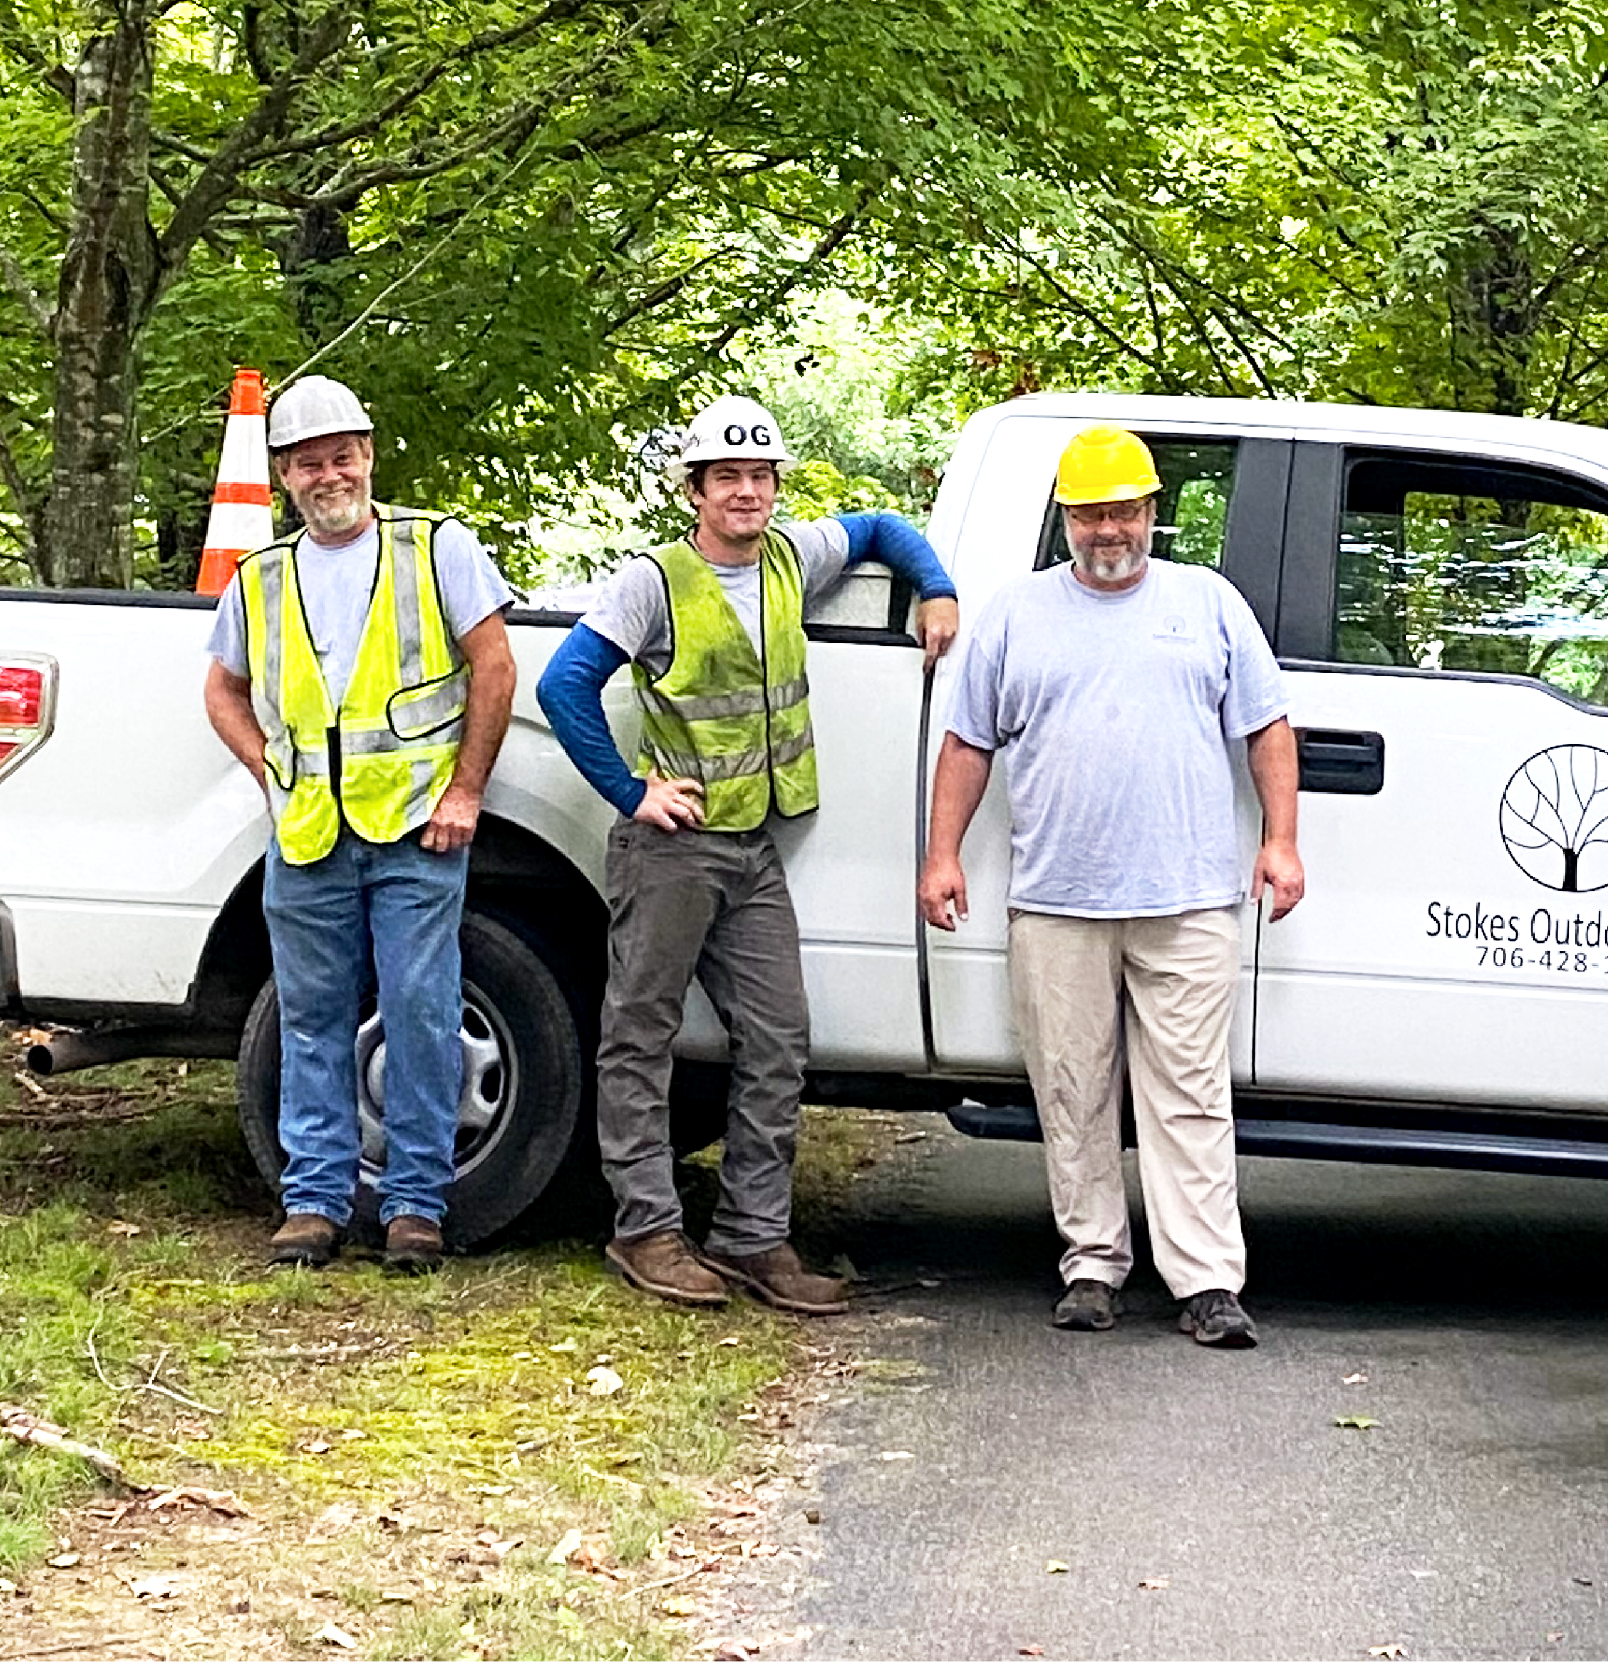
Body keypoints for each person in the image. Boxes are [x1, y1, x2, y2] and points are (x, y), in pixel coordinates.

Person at [537, 395, 958, 1316]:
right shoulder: (654, 580)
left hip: (754, 847)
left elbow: (885, 525)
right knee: (640, 1035)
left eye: (760, 476)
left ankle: (751, 1237)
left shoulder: (787, 560)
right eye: (726, 477)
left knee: (779, 1040)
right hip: (673, 850)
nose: (746, 492)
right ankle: (645, 1228)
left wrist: (936, 588)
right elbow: (564, 684)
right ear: (695, 489)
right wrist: (633, 791)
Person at [918, 426, 1304, 1350]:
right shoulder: (1016, 613)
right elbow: (968, 743)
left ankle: (1206, 1280)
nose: (1109, 529)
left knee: (1190, 1094)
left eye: (1125, 510)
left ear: (1152, 511)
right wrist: (941, 855)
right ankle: (1092, 1263)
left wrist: (1283, 841)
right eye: (1091, 513)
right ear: (1068, 519)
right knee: (1072, 1088)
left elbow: (1268, 727)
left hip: (1188, 899)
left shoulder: (1208, 603)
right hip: (1057, 899)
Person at [204, 373, 518, 1276]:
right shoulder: (261, 578)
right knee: (312, 1018)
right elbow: (221, 689)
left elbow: (493, 667)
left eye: (342, 456)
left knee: (421, 1012)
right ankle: (313, 1202)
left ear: (369, 456)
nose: (329, 475)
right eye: (309, 463)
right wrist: (268, 766)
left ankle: (416, 1206)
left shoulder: (435, 549)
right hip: (306, 836)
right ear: (284, 476)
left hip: (417, 829)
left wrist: (466, 791)